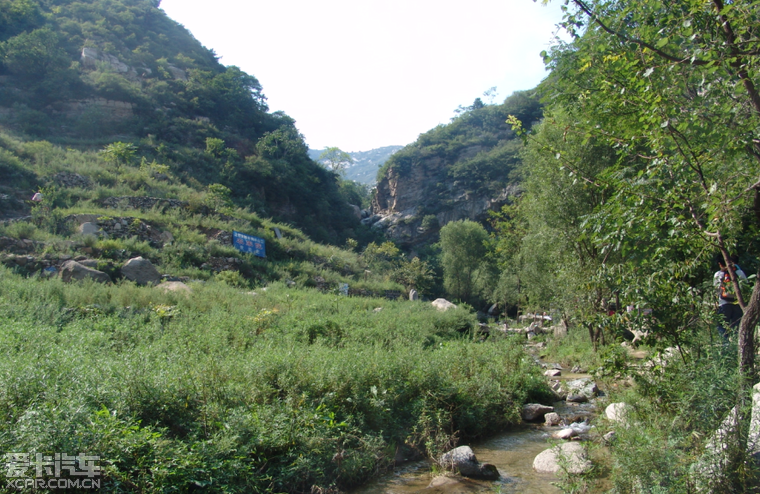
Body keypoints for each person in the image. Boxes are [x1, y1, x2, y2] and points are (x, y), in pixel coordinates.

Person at [714, 254, 747, 340]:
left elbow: (716, 290)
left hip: (723, 304)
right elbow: (745, 286)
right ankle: (736, 346)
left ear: (720, 264)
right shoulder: (739, 272)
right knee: (736, 328)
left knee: (722, 328)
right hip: (737, 304)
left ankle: (725, 348)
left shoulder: (718, 274)